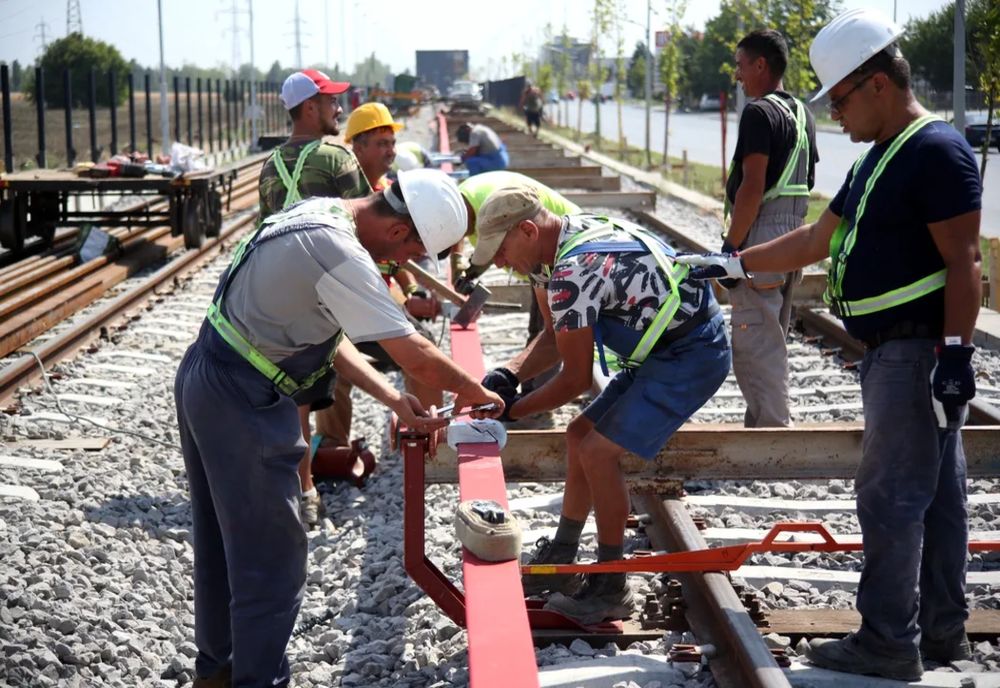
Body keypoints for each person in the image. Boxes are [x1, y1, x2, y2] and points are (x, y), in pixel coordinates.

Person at [676, 8, 981, 681]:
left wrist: (956, 356)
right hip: (899, 353)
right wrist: (737, 263)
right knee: (934, 495)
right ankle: (940, 634)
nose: (836, 116)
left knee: (891, 496)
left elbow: (965, 264)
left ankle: (886, 642)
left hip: (917, 353)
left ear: (876, 84)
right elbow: (819, 238)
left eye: (839, 100)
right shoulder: (882, 157)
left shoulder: (936, 151)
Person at [175, 169, 504, 688]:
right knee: (273, 562)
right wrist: (479, 394)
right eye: (405, 256)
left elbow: (332, 337)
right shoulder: (339, 250)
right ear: (399, 232)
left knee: (223, 545)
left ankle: (218, 674)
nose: (398, 267)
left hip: (211, 375)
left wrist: (394, 397)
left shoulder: (321, 215)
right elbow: (411, 348)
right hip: (243, 397)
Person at [472, 186, 730, 625]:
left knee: (597, 451)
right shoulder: (558, 248)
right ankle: (565, 552)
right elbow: (555, 336)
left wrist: (513, 410)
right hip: (660, 350)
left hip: (689, 354)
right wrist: (510, 375)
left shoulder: (573, 270)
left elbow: (573, 379)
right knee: (577, 435)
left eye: (499, 250)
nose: (498, 263)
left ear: (528, 230)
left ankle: (613, 585)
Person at [258, 68, 369, 527]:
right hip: (327, 295)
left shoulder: (269, 166)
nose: (339, 109)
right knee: (326, 382)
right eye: (331, 101)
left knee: (292, 394)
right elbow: (369, 220)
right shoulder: (336, 159)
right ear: (310, 107)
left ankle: (298, 484)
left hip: (278, 292)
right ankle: (310, 488)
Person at [725, 29, 818, 428]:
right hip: (793, 232)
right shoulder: (802, 113)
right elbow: (808, 179)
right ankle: (760, 426)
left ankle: (772, 435)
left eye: (741, 66)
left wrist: (730, 247)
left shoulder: (758, 113)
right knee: (771, 335)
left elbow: (753, 186)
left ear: (761, 65)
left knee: (754, 340)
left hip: (762, 232)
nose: (738, 75)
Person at [344, 102, 443, 406]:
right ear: (358, 149)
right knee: (332, 373)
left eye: (392, 143)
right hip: (352, 300)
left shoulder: (388, 191)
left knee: (421, 348)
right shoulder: (351, 197)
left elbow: (399, 258)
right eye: (381, 144)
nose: (390, 151)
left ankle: (427, 435)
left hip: (380, 294)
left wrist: (412, 288)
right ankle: (333, 441)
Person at [345, 102, 404, 192]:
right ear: (359, 149)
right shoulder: (341, 193)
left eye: (393, 143)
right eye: (383, 144)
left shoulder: (391, 191)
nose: (392, 152)